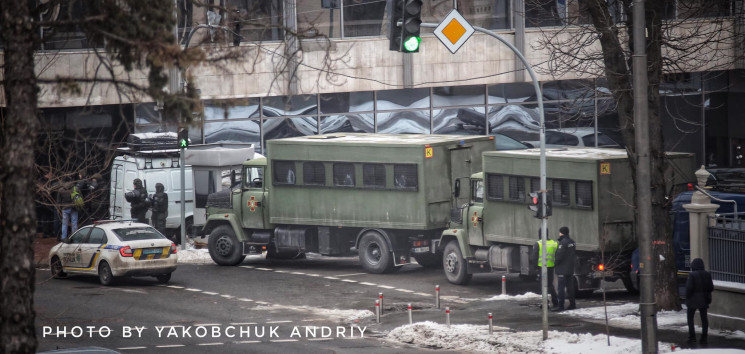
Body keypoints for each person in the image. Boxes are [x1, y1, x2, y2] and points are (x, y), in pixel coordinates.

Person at [686, 258, 714, 345]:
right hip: (704, 299)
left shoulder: (692, 275)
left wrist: (688, 296)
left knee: (690, 319)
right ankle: (704, 338)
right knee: (704, 319)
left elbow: (689, 288)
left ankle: (692, 337)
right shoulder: (707, 274)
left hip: (692, 300)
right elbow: (711, 287)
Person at [530, 230, 558, 309]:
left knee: (543, 286)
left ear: (539, 234)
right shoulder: (554, 243)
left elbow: (535, 257)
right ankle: (555, 302)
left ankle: (545, 303)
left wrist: (535, 267)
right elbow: (557, 255)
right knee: (550, 285)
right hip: (551, 267)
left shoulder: (538, 243)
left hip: (542, 267)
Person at [552, 226, 576, 312]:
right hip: (570, 268)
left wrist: (554, 264)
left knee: (561, 288)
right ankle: (572, 304)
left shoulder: (563, 243)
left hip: (562, 269)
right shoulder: (572, 242)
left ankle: (560, 305)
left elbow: (559, 256)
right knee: (570, 287)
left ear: (561, 233)